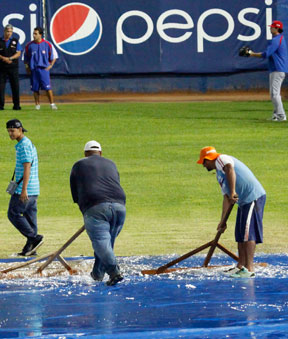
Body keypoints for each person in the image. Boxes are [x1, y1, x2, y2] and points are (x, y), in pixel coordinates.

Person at [197, 146, 266, 278]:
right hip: (243, 202)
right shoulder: (219, 175)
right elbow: (227, 198)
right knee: (240, 234)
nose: (203, 166)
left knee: (247, 233)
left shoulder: (222, 159)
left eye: (204, 162)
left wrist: (233, 191)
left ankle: (249, 269)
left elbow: (230, 169)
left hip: (253, 197)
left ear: (208, 159)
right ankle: (240, 266)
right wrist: (222, 221)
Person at [70, 140, 126, 286]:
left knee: (101, 243)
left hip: (95, 207)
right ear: (100, 153)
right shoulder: (111, 163)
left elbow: (75, 194)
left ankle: (115, 273)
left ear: (85, 154)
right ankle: (97, 274)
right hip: (120, 206)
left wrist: (87, 212)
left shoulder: (78, 165)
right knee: (107, 244)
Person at [6, 119, 43, 256]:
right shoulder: (26, 143)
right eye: (8, 131)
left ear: (20, 130)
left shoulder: (24, 146)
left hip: (26, 189)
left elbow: (27, 167)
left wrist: (23, 189)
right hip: (34, 188)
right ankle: (31, 248)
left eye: (12, 130)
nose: (10, 133)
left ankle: (34, 238)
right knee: (30, 217)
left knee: (13, 213)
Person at [248, 20, 288, 122]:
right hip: (276, 69)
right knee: (273, 94)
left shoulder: (276, 40)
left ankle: (281, 115)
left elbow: (266, 54)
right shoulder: (279, 39)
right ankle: (276, 115)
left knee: (275, 94)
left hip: (278, 69)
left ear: (277, 28)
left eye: (272, 27)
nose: (270, 28)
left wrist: (251, 54)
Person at [24, 26, 57, 110]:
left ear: (40, 35)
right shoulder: (29, 45)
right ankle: (37, 105)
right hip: (34, 70)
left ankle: (52, 104)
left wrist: (50, 65)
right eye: (33, 33)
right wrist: (27, 67)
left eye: (36, 34)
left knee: (47, 88)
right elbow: (25, 58)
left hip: (44, 69)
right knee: (35, 89)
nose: (34, 35)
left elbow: (54, 56)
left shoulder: (48, 44)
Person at [0, 24, 22, 110]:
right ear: (4, 31)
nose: (9, 33)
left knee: (15, 86)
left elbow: (19, 53)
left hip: (13, 67)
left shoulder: (15, 41)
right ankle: (1, 105)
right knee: (1, 87)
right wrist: (3, 58)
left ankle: (16, 105)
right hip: (1, 67)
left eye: (10, 32)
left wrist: (10, 58)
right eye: (7, 31)